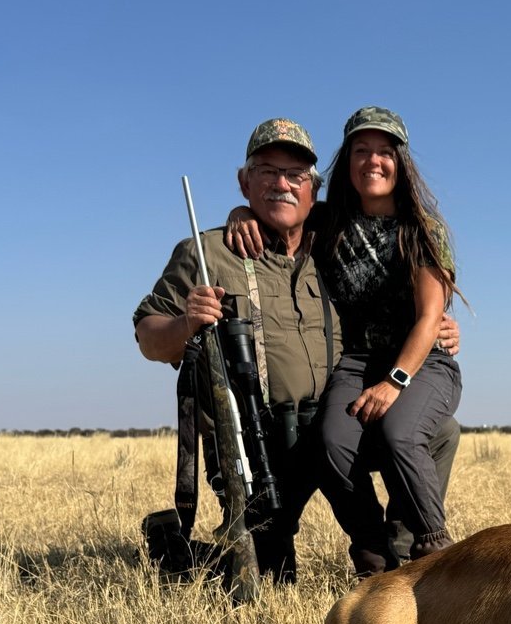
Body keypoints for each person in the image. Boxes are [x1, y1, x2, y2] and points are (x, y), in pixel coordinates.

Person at [133, 118, 459, 581]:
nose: (281, 185)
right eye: (267, 172)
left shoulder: (330, 238)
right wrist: (187, 322)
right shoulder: (207, 253)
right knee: (264, 570)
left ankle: (392, 555)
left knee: (441, 430)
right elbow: (148, 335)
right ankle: (175, 548)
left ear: (314, 190)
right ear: (244, 181)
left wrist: (436, 328)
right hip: (259, 444)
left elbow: (400, 278)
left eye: (295, 176)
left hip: (329, 422)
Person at [229, 106, 462, 570]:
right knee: (332, 440)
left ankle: (437, 553)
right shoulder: (328, 220)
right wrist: (240, 212)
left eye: (384, 151)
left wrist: (394, 381)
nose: (372, 161)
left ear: (401, 162)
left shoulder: (423, 229)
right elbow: (281, 210)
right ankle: (375, 560)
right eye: (361, 150)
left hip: (423, 361)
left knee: (399, 434)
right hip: (358, 361)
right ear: (346, 160)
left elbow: (430, 318)